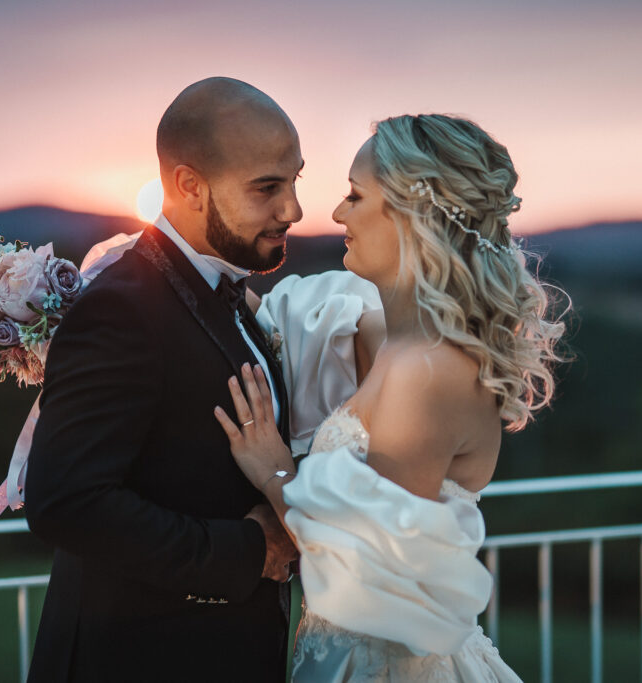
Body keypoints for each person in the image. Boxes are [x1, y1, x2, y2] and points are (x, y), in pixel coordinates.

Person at [215, 114, 567, 681]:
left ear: (413, 215)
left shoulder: (431, 372)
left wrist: (275, 473)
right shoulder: (395, 340)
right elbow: (295, 318)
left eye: (355, 196)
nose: (336, 214)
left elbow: (365, 563)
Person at [23, 77, 302, 682]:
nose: (293, 210)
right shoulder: (123, 306)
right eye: (267, 188)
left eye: (294, 181)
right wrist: (249, 551)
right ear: (189, 186)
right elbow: (64, 502)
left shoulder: (225, 294)